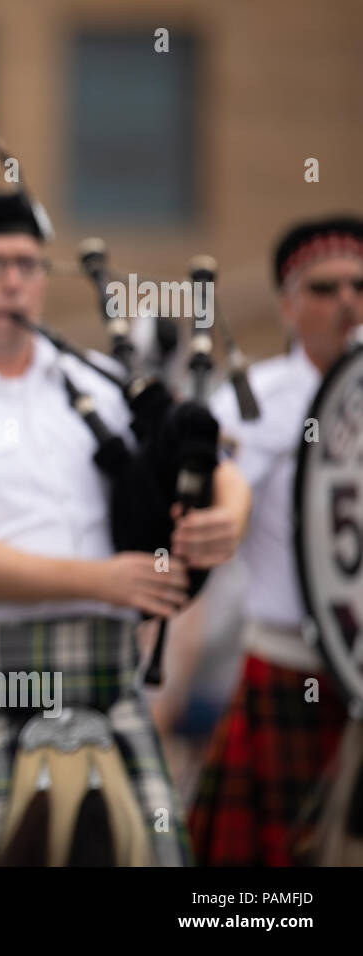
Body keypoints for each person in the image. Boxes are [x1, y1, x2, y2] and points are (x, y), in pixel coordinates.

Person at [0, 187, 251, 866]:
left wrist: (228, 515)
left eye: (29, 264)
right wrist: (105, 580)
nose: (14, 281)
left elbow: (210, 458)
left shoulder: (101, 383)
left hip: (104, 687)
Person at [189, 216, 363, 866]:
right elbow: (226, 484)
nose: (346, 301)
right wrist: (220, 521)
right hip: (290, 665)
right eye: (324, 288)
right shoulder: (252, 402)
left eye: (358, 284)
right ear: (288, 306)